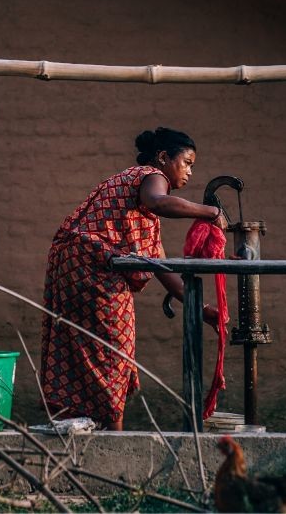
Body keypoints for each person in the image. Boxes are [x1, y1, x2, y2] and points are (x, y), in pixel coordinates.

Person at [40, 127, 228, 430]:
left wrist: (203, 309)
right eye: (188, 162)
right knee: (114, 351)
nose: (190, 172)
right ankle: (114, 438)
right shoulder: (151, 177)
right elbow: (158, 200)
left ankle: (78, 428)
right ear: (164, 157)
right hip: (94, 269)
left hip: (73, 266)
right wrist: (210, 212)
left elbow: (161, 267)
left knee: (83, 349)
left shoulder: (137, 211)